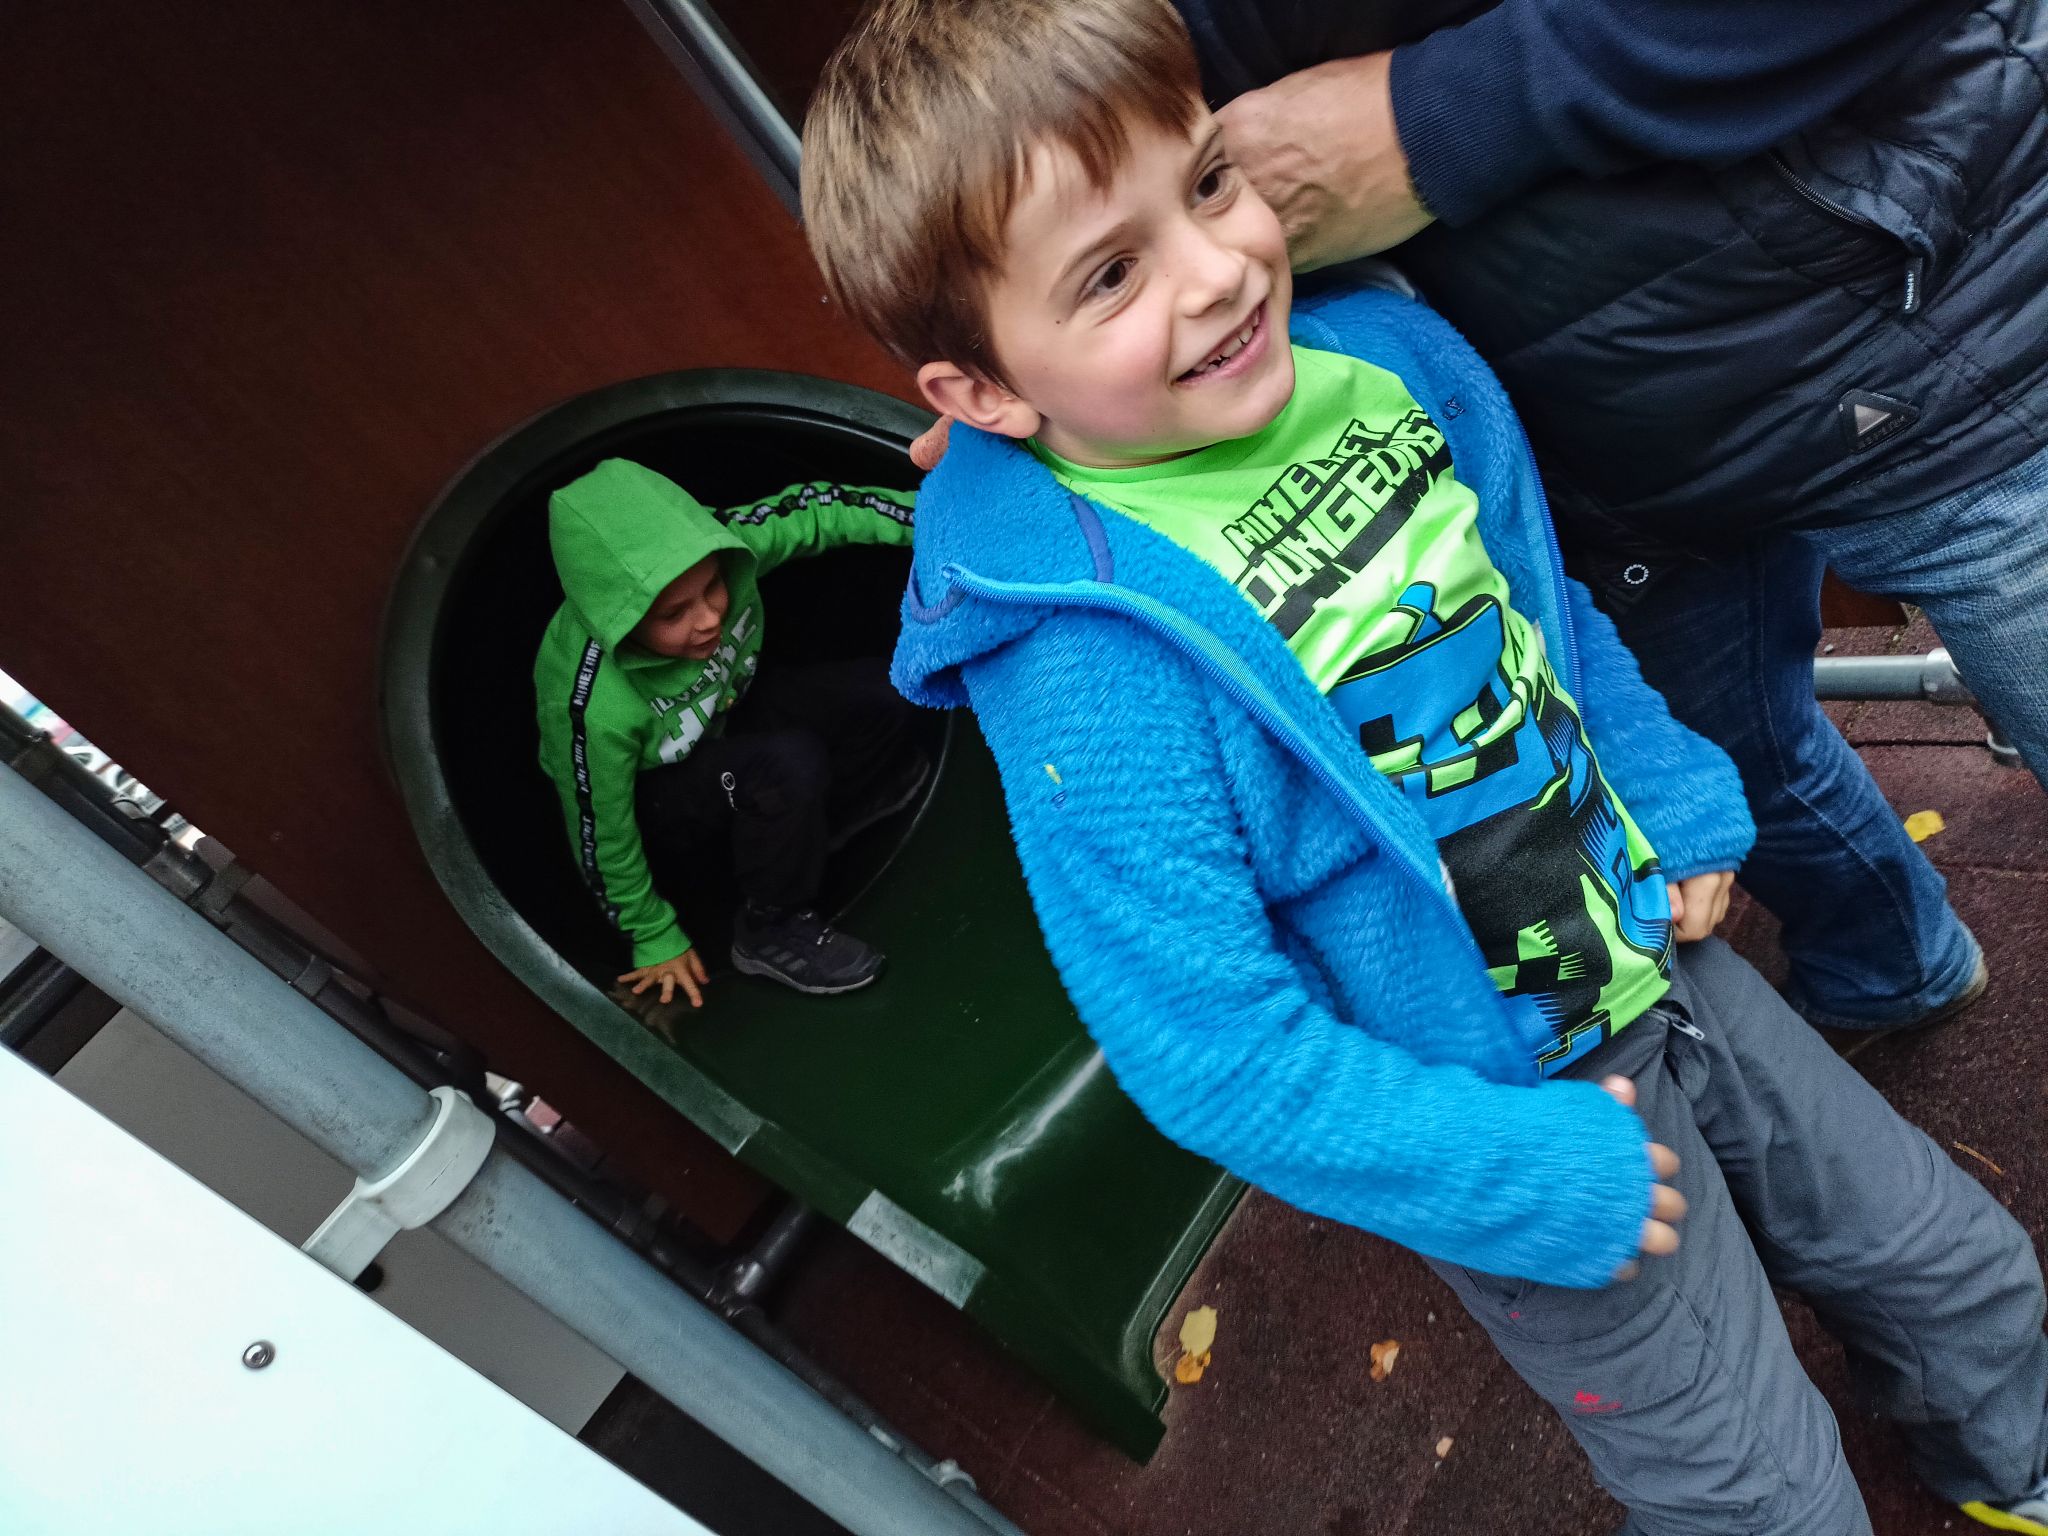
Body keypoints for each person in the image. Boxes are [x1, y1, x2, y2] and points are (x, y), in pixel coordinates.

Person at [800, 2, 2048, 1531]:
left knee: (1955, 1266)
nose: (1217, 272)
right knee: (1755, 1488)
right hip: (1504, 1112)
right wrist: (1510, 1174)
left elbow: (1537, 607)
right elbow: (1208, 1048)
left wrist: (1665, 793)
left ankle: (2015, 1469)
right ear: (984, 394)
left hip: (1656, 960)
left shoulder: (1376, 360)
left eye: (1207, 183)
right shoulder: (1083, 660)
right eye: (1110, 275)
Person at [1168, 0, 2048, 1045]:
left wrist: (1432, 117)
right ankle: (1888, 965)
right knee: (1735, 757)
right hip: (1594, 447)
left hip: (1932, 311)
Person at [533, 457, 922, 1007]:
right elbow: (599, 828)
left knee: (886, 691)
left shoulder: (726, 544)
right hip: (664, 794)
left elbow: (822, 510)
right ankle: (769, 926)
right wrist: (650, 931)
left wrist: (938, 522)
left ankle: (821, 830)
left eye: (714, 586)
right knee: (786, 765)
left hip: (726, 715)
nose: (709, 618)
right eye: (673, 614)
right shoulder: (591, 705)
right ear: (620, 620)